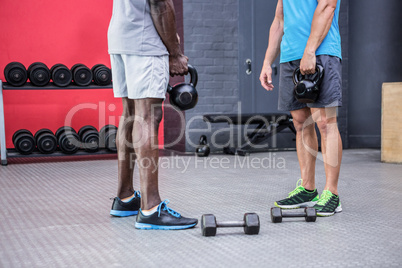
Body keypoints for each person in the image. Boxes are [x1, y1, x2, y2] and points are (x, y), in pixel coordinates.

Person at [107, 0, 198, 229]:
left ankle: (125, 197)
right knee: (147, 117)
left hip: (120, 38)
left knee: (130, 115)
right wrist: (174, 53)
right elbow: (159, 3)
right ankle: (151, 208)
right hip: (145, 41)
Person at [260, 0, 343, 216]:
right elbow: (279, 20)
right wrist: (268, 61)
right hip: (291, 56)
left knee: (325, 122)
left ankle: (332, 193)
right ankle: (308, 189)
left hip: (321, 50)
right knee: (300, 123)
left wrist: (310, 50)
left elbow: (327, 7)